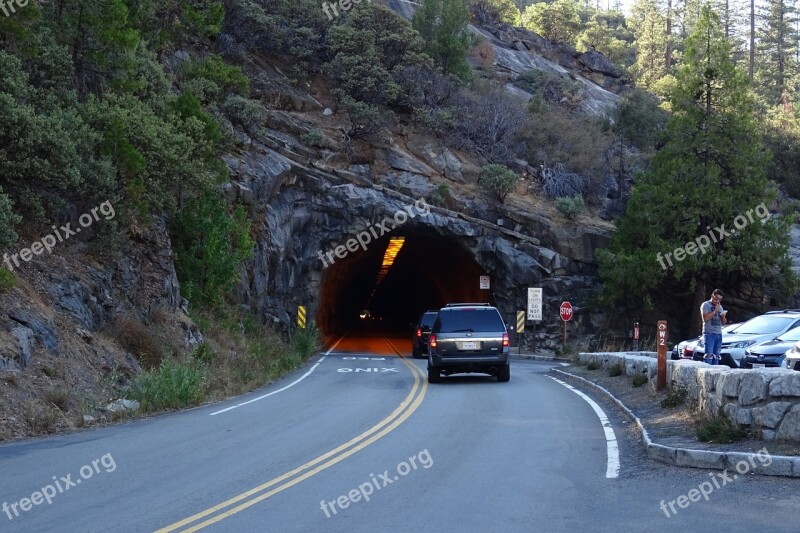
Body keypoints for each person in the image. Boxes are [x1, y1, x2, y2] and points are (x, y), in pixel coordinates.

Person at [701, 289, 727, 365]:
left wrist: (723, 316)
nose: (717, 301)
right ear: (712, 296)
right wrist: (715, 311)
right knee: (708, 356)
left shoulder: (720, 307)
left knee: (716, 356)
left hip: (719, 334)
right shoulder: (705, 305)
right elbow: (705, 318)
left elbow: (724, 323)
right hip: (709, 334)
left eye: (719, 299)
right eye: (716, 299)